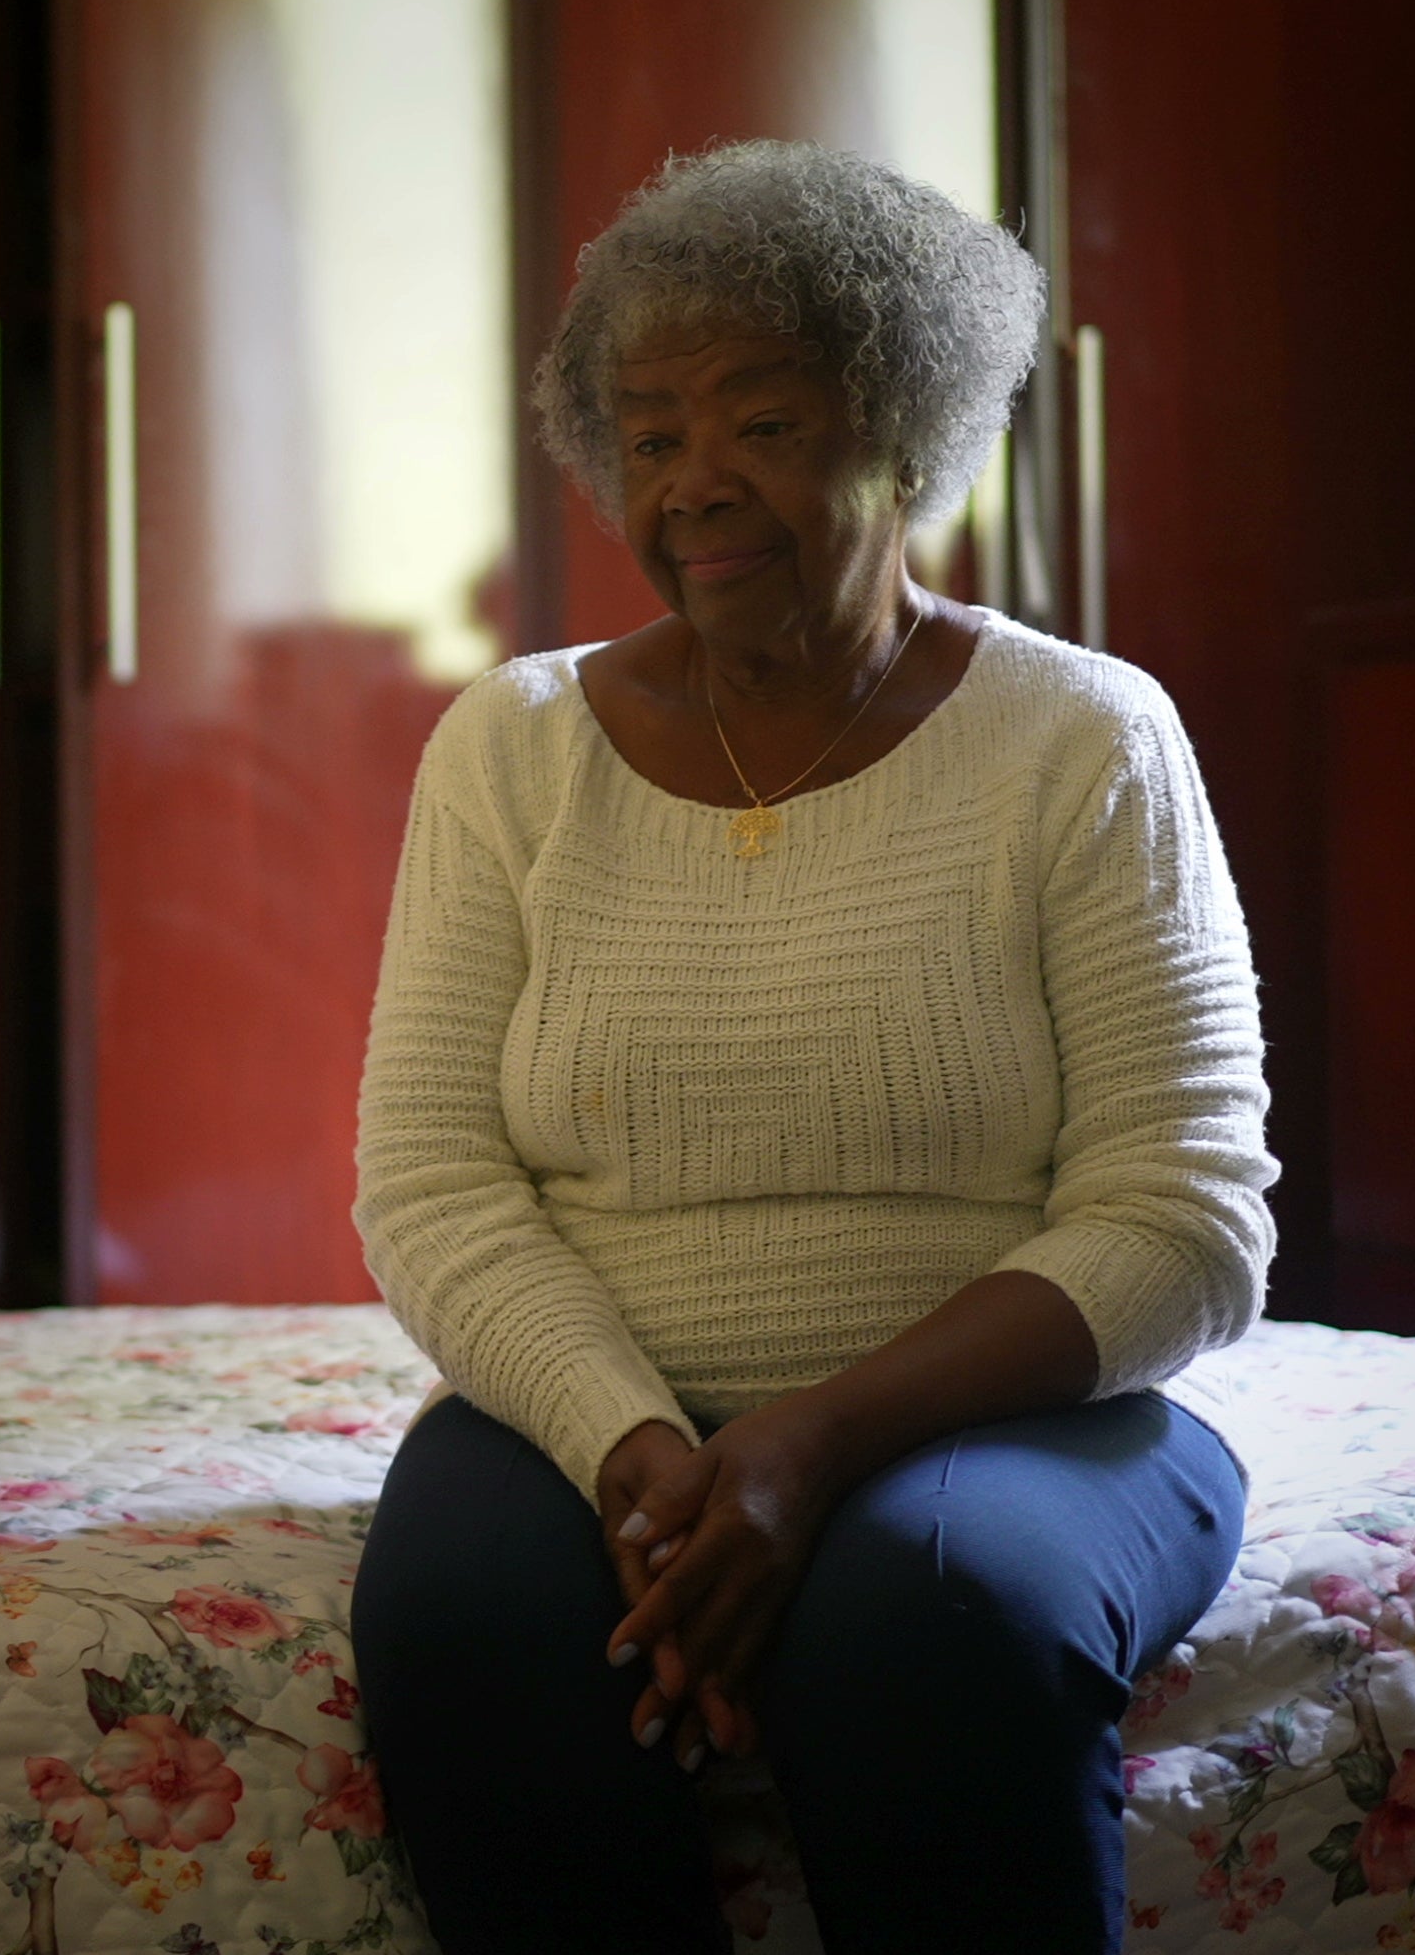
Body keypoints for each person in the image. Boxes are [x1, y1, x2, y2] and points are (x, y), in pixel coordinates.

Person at [346, 140, 1269, 1953]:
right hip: (586, 1420)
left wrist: (807, 1445)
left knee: (928, 1624)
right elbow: (432, 1176)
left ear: (906, 434)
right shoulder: (510, 749)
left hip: (1004, 1420)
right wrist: (631, 1444)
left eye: (764, 424)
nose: (697, 486)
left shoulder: (1082, 739)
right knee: (468, 1629)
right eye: (653, 432)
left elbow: (1185, 1215)